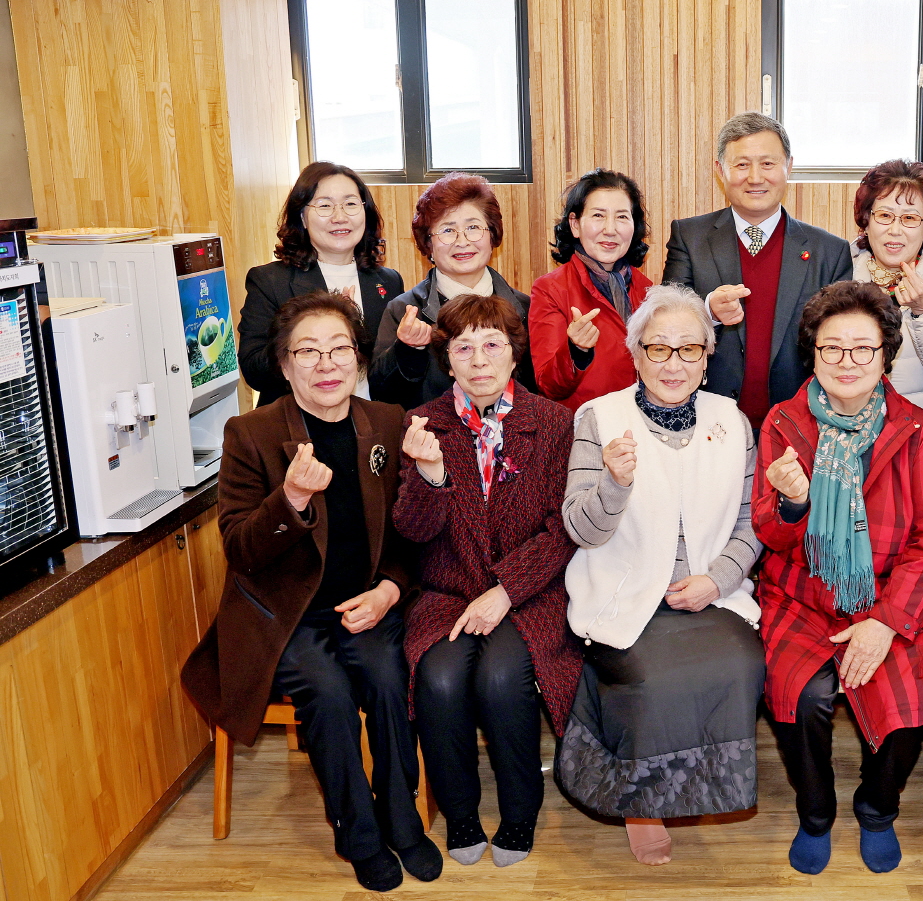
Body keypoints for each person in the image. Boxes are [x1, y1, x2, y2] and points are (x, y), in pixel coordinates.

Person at [180, 291, 441, 892]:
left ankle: (402, 820)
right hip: (287, 616)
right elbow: (241, 549)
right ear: (285, 364)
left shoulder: (386, 423)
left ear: (358, 358)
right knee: (325, 692)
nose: (327, 365)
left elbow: (408, 538)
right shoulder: (251, 433)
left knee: (385, 675)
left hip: (366, 607)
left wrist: (389, 592)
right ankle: (359, 834)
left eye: (340, 350)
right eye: (308, 352)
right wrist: (290, 499)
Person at [554, 283, 764, 866]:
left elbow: (752, 524)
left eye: (688, 350)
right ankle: (642, 803)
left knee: (740, 663)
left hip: (709, 595)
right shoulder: (599, 417)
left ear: (706, 357)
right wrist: (614, 486)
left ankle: (699, 787)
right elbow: (581, 530)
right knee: (648, 676)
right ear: (635, 352)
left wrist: (716, 580)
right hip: (624, 593)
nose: (673, 363)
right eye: (659, 349)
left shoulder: (732, 419)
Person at [754, 281, 923, 876]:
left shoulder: (917, 428)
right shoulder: (785, 422)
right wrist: (792, 505)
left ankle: (877, 807)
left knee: (907, 705)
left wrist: (887, 622)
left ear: (884, 355)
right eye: (832, 349)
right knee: (803, 696)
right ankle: (815, 812)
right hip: (802, 595)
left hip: (889, 598)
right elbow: (770, 533)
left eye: (862, 349)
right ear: (813, 353)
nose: (847, 362)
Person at [393, 294, 580, 869]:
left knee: (503, 679)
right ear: (446, 360)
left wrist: (505, 591)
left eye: (492, 344)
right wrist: (429, 476)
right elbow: (412, 532)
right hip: (448, 591)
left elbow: (562, 530)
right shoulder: (423, 424)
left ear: (513, 355)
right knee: (441, 679)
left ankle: (520, 814)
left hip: (530, 593)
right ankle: (463, 814)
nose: (479, 360)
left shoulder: (553, 422)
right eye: (463, 347)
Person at [663, 112, 853, 430]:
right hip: (705, 421)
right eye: (741, 164)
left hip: (800, 425)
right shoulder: (689, 237)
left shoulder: (829, 252)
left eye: (767, 164)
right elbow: (664, 321)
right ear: (721, 170)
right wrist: (707, 310)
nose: (755, 177)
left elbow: (841, 342)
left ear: (788, 167)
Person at [238, 162, 403, 405]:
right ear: (302, 217)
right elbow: (254, 371)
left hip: (373, 424)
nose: (340, 217)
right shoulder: (270, 281)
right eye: (325, 206)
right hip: (300, 427)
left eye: (350, 204)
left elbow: (390, 371)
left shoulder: (388, 281)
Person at [371, 172, 534, 407]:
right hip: (432, 439)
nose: (462, 241)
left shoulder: (524, 307)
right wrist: (407, 351)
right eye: (447, 230)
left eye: (473, 227)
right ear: (428, 244)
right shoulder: (405, 310)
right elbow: (381, 395)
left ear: (492, 235)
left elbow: (537, 390)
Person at [848, 159, 923, 412]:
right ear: (866, 221)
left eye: (909, 218)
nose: (895, 230)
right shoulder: (840, 278)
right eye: (884, 215)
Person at [529, 169, 654, 410]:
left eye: (622, 217)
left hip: (642, 426)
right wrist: (576, 351)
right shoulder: (550, 289)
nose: (610, 229)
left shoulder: (648, 290)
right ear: (575, 224)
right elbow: (548, 385)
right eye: (598, 215)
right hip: (584, 431)